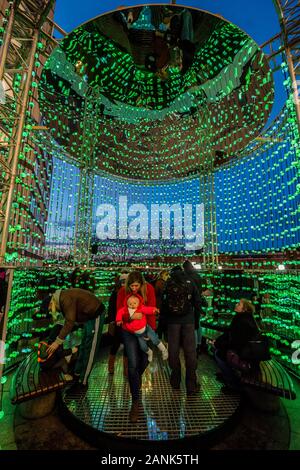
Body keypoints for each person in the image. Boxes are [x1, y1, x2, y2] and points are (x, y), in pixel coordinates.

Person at [117, 271, 156, 423]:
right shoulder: (122, 292)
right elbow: (119, 314)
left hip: (145, 330)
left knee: (144, 360)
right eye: (131, 286)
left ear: (141, 284)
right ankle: (135, 403)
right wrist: (132, 316)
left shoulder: (149, 290)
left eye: (136, 286)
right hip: (128, 332)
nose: (134, 289)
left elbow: (152, 311)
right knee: (133, 364)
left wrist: (150, 332)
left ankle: (135, 379)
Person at [47, 288, 105, 389]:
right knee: (83, 347)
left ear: (52, 302)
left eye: (50, 309)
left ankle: (83, 382)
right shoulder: (62, 297)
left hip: (95, 315)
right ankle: (77, 374)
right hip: (89, 318)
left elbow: (69, 321)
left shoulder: (65, 298)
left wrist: (57, 342)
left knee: (90, 350)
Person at [161, 266, 203, 395]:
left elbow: (163, 304)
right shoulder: (190, 281)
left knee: (173, 351)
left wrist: (162, 324)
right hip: (188, 321)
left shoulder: (168, 283)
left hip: (172, 322)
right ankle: (191, 385)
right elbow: (197, 300)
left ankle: (175, 380)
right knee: (190, 352)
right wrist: (198, 315)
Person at [214, 298, 261, 391]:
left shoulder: (241, 321)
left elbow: (235, 342)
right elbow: (230, 335)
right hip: (249, 353)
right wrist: (218, 342)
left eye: (239, 304)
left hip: (246, 357)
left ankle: (233, 384)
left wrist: (218, 344)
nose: (236, 305)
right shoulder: (247, 318)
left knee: (218, 354)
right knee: (220, 350)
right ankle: (227, 376)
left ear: (244, 309)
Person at [116, 293, 168, 363]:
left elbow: (148, 309)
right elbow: (119, 313)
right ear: (126, 303)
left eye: (134, 303)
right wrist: (119, 320)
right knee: (143, 347)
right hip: (137, 334)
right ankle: (150, 352)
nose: (132, 305)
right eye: (130, 304)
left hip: (146, 329)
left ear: (139, 303)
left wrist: (154, 310)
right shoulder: (125, 310)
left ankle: (164, 350)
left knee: (155, 340)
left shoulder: (141, 308)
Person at [182, 260, 209, 355]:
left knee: (192, 325)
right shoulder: (198, 276)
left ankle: (194, 347)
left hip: (192, 303)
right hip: (198, 302)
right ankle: (199, 344)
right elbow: (201, 289)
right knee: (198, 324)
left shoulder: (187, 277)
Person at [107, 272, 129, 375]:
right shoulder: (115, 293)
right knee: (116, 344)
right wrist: (112, 321)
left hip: (126, 322)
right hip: (119, 323)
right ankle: (112, 366)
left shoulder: (129, 292)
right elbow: (111, 308)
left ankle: (125, 369)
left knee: (126, 345)